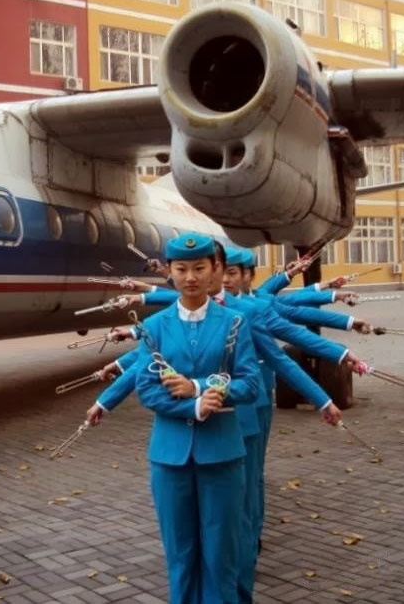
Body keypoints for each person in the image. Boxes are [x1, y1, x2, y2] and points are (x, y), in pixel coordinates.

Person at [135, 232, 259, 604]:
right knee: (180, 552)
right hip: (169, 457)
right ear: (169, 272)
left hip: (222, 454)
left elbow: (250, 382)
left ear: (214, 270)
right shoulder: (154, 327)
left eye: (199, 268)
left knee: (222, 551)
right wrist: (193, 407)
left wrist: (198, 387)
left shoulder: (234, 323)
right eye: (181, 269)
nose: (190, 277)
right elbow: (147, 389)